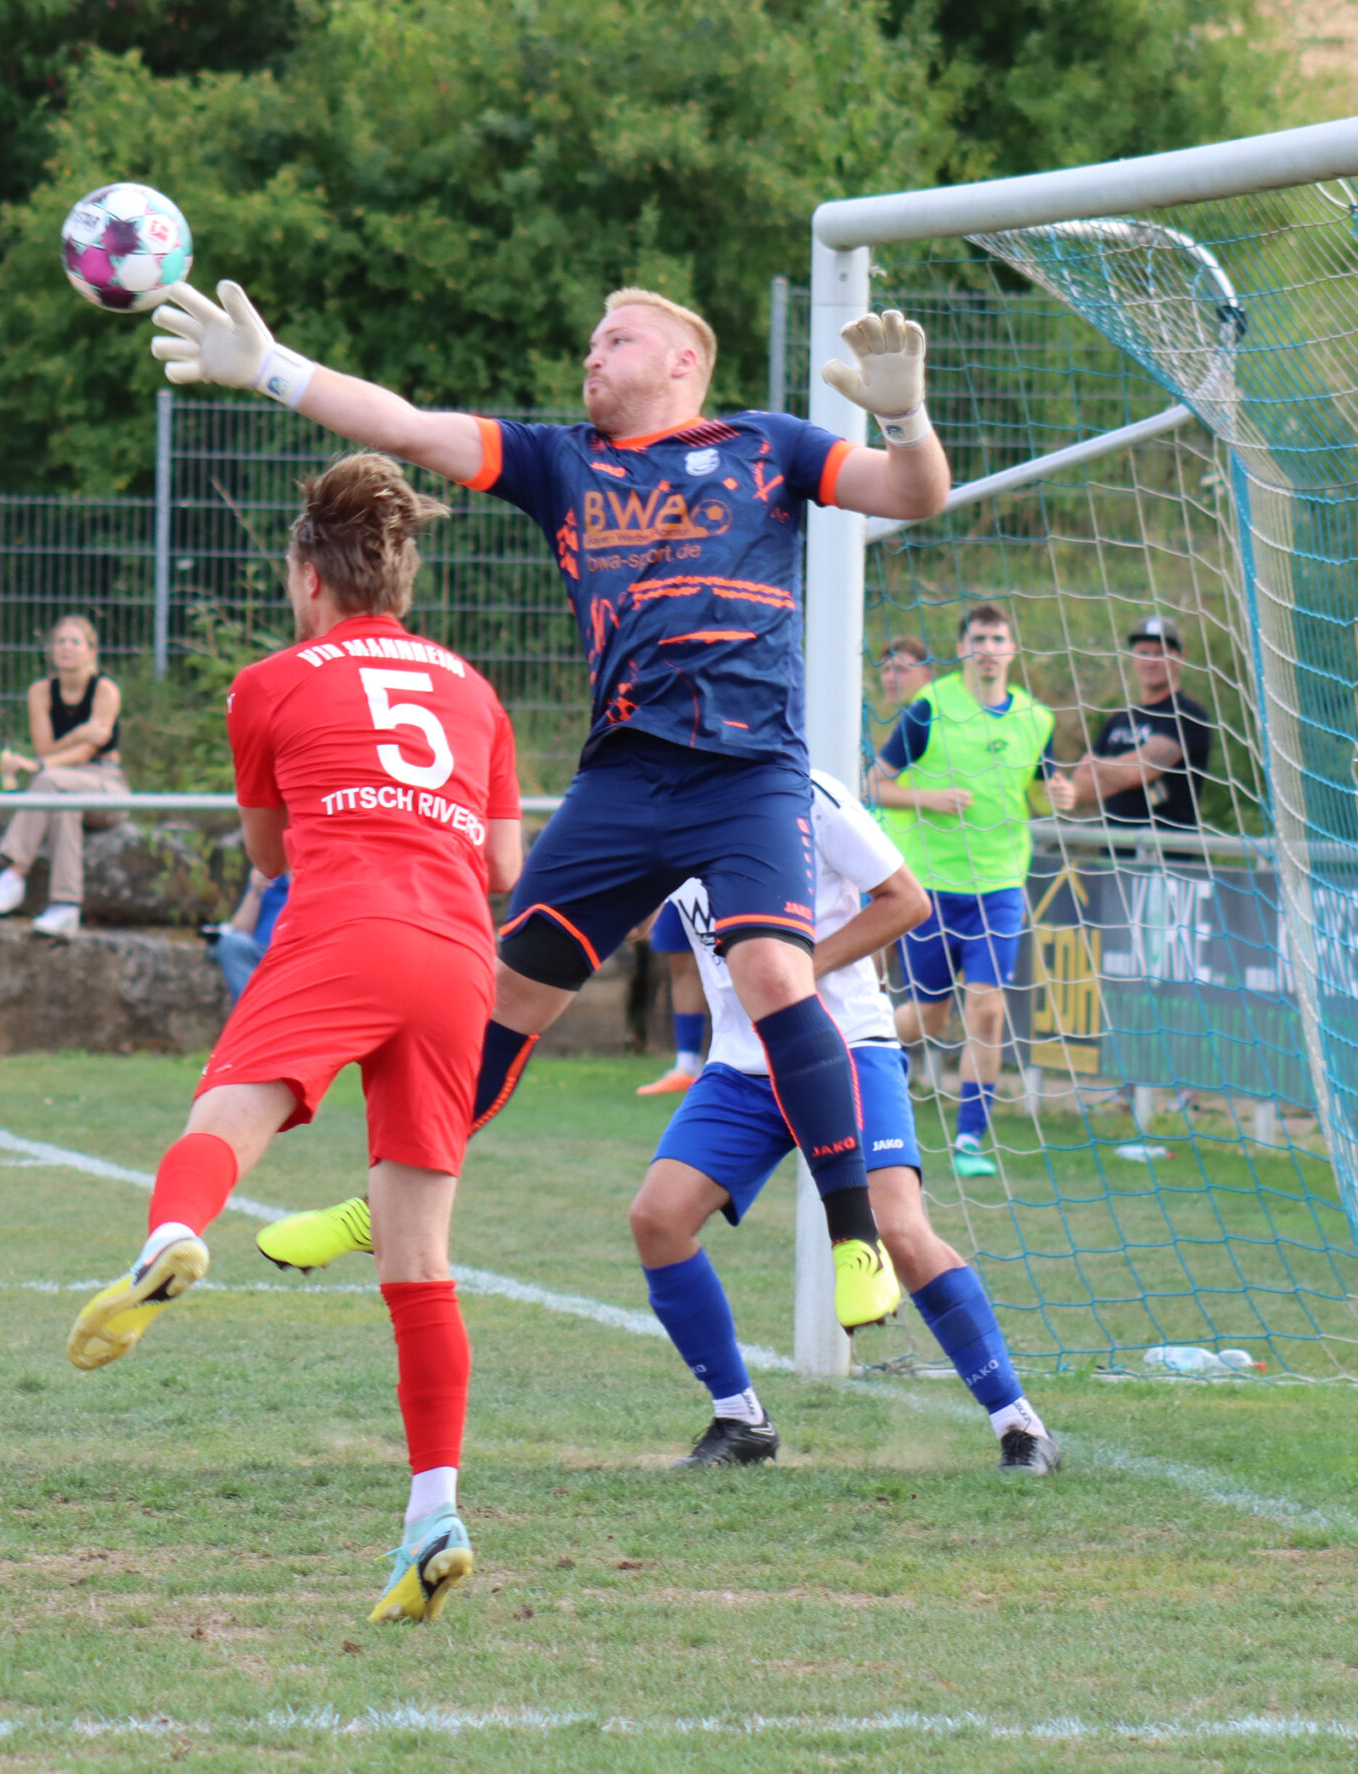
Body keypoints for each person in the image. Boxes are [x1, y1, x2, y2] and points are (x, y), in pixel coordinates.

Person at [152, 279, 952, 1334]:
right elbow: (405, 427)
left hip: (748, 771)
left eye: (617, 338)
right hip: (622, 776)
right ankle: (376, 1205)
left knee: (770, 971)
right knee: (501, 997)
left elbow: (913, 494)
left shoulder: (771, 446)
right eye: (590, 340)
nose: (591, 354)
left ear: (683, 361)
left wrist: (905, 417)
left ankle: (855, 1236)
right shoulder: (560, 461)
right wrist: (269, 368)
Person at [64, 456, 522, 1628]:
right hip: (458, 954)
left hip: (345, 927)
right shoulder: (474, 691)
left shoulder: (269, 682)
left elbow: (269, 859)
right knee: (418, 1254)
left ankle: (172, 1236)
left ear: (309, 576)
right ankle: (434, 1516)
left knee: (226, 1119)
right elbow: (505, 865)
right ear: (400, 576)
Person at [633, 771, 1059, 1475]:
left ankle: (1020, 1425)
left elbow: (907, 900)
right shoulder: (664, 800)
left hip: (848, 1045)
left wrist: (797, 979)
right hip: (742, 1065)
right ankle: (741, 1419)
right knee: (658, 1218)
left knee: (897, 1229)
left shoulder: (809, 794)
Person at [867, 603, 1077, 1181]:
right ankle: (854, 1047)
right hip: (931, 889)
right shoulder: (930, 708)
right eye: (978, 638)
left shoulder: (1035, 718)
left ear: (1012, 649)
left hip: (1000, 886)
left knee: (986, 1011)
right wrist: (928, 798)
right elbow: (875, 785)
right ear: (962, 649)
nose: (988, 648)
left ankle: (969, 1139)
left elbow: (1043, 790)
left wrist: (1062, 796)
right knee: (929, 1019)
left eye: (997, 638)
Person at [0, 613, 127, 938]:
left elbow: (85, 752)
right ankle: (66, 906)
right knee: (63, 804)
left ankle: (16, 872)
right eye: (60, 641)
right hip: (63, 785)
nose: (66, 647)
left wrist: (41, 767)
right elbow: (45, 749)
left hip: (105, 784)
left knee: (48, 782)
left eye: (75, 641)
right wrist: (79, 734)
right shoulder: (41, 692)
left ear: (91, 650)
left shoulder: (104, 690)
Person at [1068, 616, 1217, 843]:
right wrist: (1127, 773)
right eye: (1143, 653)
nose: (1150, 661)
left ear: (1180, 658)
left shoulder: (1188, 714)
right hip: (1114, 855)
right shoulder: (1118, 720)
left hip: (1167, 854)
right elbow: (1080, 787)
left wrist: (1097, 766)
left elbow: (1142, 769)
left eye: (1160, 653)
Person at [636, 901, 709, 1097]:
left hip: (730, 884)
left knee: (741, 954)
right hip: (676, 887)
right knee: (681, 964)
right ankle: (687, 1067)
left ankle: (757, 1062)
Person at [204, 867, 290, 1001]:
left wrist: (294, 878)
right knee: (230, 944)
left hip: (293, 952)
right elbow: (240, 929)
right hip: (261, 952)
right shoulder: (269, 872)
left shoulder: (314, 875)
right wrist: (255, 891)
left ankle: (261, 1007)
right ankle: (255, 1007)